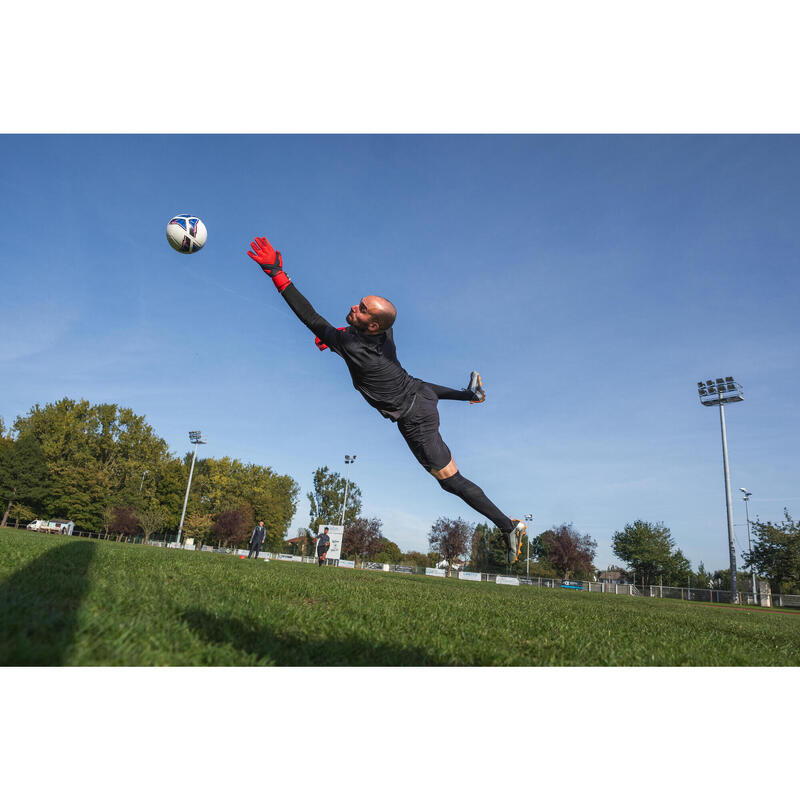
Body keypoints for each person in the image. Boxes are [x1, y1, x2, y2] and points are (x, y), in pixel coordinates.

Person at [247, 236, 527, 564]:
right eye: (359, 303)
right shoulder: (380, 333)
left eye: (362, 309)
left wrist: (278, 274)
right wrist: (339, 337)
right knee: (422, 392)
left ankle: (508, 526)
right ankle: (471, 394)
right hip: (419, 391)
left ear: (373, 325)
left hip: (416, 417)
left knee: (451, 482)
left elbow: (311, 318)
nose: (355, 307)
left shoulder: (354, 346)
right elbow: (355, 331)